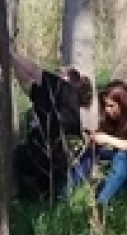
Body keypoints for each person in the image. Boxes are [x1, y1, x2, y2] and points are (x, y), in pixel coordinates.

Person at [11, 48, 92, 201]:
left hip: (47, 163)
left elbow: (34, 71)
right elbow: (26, 82)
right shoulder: (54, 100)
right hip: (42, 165)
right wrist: (14, 62)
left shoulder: (66, 90)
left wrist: (10, 53)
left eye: (59, 73)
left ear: (67, 79)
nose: (55, 74)